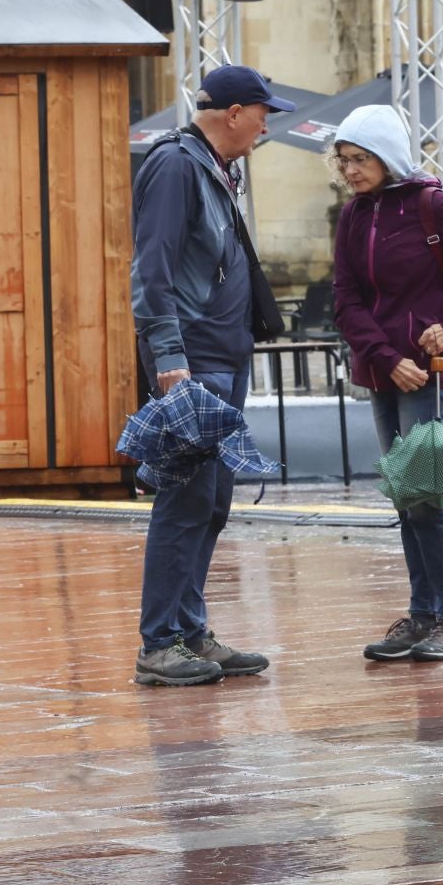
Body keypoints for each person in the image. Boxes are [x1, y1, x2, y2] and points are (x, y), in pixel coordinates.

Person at [131, 65, 296, 687]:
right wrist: (171, 362)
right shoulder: (177, 165)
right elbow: (152, 271)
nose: (264, 126)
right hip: (194, 360)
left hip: (223, 357)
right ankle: (160, 643)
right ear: (233, 113)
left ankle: (190, 628)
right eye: (262, 113)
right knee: (185, 499)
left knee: (212, 501)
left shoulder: (211, 166)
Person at [329, 105, 443, 663]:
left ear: (387, 156)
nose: (352, 171)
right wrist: (384, 357)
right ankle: (424, 612)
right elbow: (346, 299)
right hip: (382, 369)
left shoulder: (433, 205)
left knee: (425, 494)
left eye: (361, 159)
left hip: (425, 374)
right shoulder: (353, 217)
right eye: (343, 161)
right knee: (405, 495)